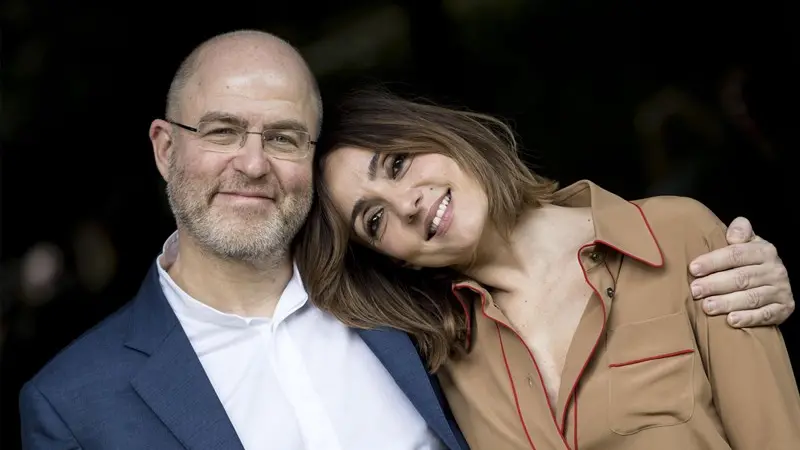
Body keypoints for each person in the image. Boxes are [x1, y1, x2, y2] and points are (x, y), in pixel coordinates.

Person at [17, 29, 794, 450]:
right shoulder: (433, 332)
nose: (252, 162)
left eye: (284, 138)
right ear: (164, 147)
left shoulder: (413, 326)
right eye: (221, 131)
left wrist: (763, 277)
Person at [297, 88, 800, 449]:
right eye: (375, 219)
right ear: (390, 258)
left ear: (443, 137)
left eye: (399, 163)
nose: (406, 204)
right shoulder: (434, 356)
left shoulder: (676, 235)